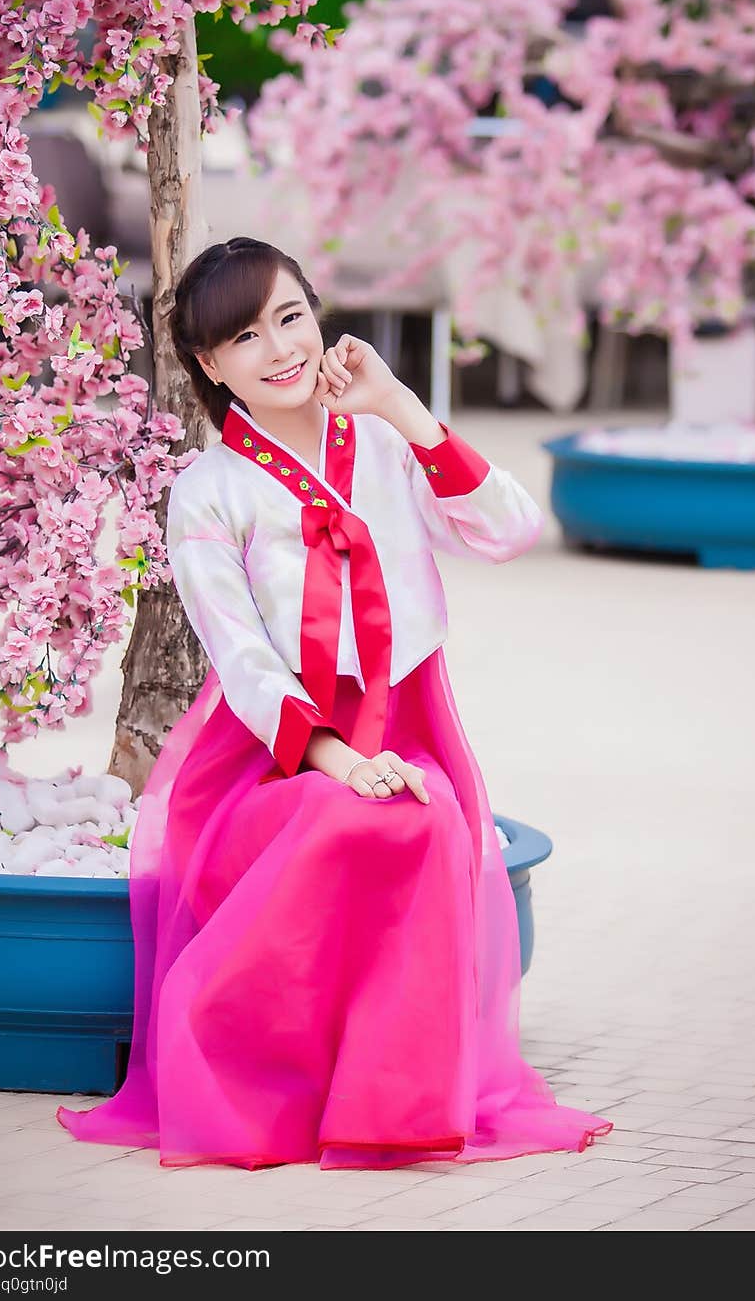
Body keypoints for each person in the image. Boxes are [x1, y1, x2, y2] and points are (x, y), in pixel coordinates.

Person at [56, 236, 612, 1171]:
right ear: (207, 363)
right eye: (243, 336)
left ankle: (392, 1106)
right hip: (270, 759)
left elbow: (513, 529)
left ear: (318, 314)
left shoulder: (386, 444)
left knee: (425, 822)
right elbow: (244, 661)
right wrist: (342, 764)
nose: (279, 349)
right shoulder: (208, 490)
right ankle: (277, 1086)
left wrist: (399, 404)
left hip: (406, 724)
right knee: (344, 821)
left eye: (290, 316)